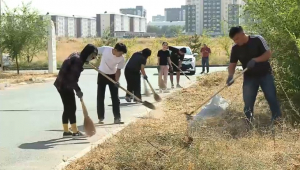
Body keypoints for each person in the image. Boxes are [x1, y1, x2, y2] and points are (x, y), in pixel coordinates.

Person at [227, 26, 281, 123]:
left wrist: (255, 60)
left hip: (265, 75)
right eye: (234, 40)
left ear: (243, 34)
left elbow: (268, 54)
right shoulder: (235, 48)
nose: (236, 41)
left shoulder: (257, 40)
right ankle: (249, 123)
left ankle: (277, 120)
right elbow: (232, 64)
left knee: (271, 97)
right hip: (249, 78)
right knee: (248, 102)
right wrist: (230, 76)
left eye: (237, 39)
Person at [54, 44, 98, 138]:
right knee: (71, 107)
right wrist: (78, 91)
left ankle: (66, 131)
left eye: (93, 57)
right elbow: (72, 79)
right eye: (92, 56)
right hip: (65, 85)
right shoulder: (78, 62)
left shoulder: (77, 55)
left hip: (60, 83)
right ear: (87, 53)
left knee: (67, 107)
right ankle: (75, 131)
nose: (92, 58)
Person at [97, 43, 127, 124]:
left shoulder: (121, 59)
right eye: (120, 53)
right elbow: (94, 51)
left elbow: (118, 70)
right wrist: (88, 59)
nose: (121, 55)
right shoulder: (105, 49)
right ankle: (101, 117)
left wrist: (117, 81)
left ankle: (117, 118)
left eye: (122, 54)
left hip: (113, 76)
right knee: (100, 97)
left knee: (115, 99)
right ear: (115, 50)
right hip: (102, 74)